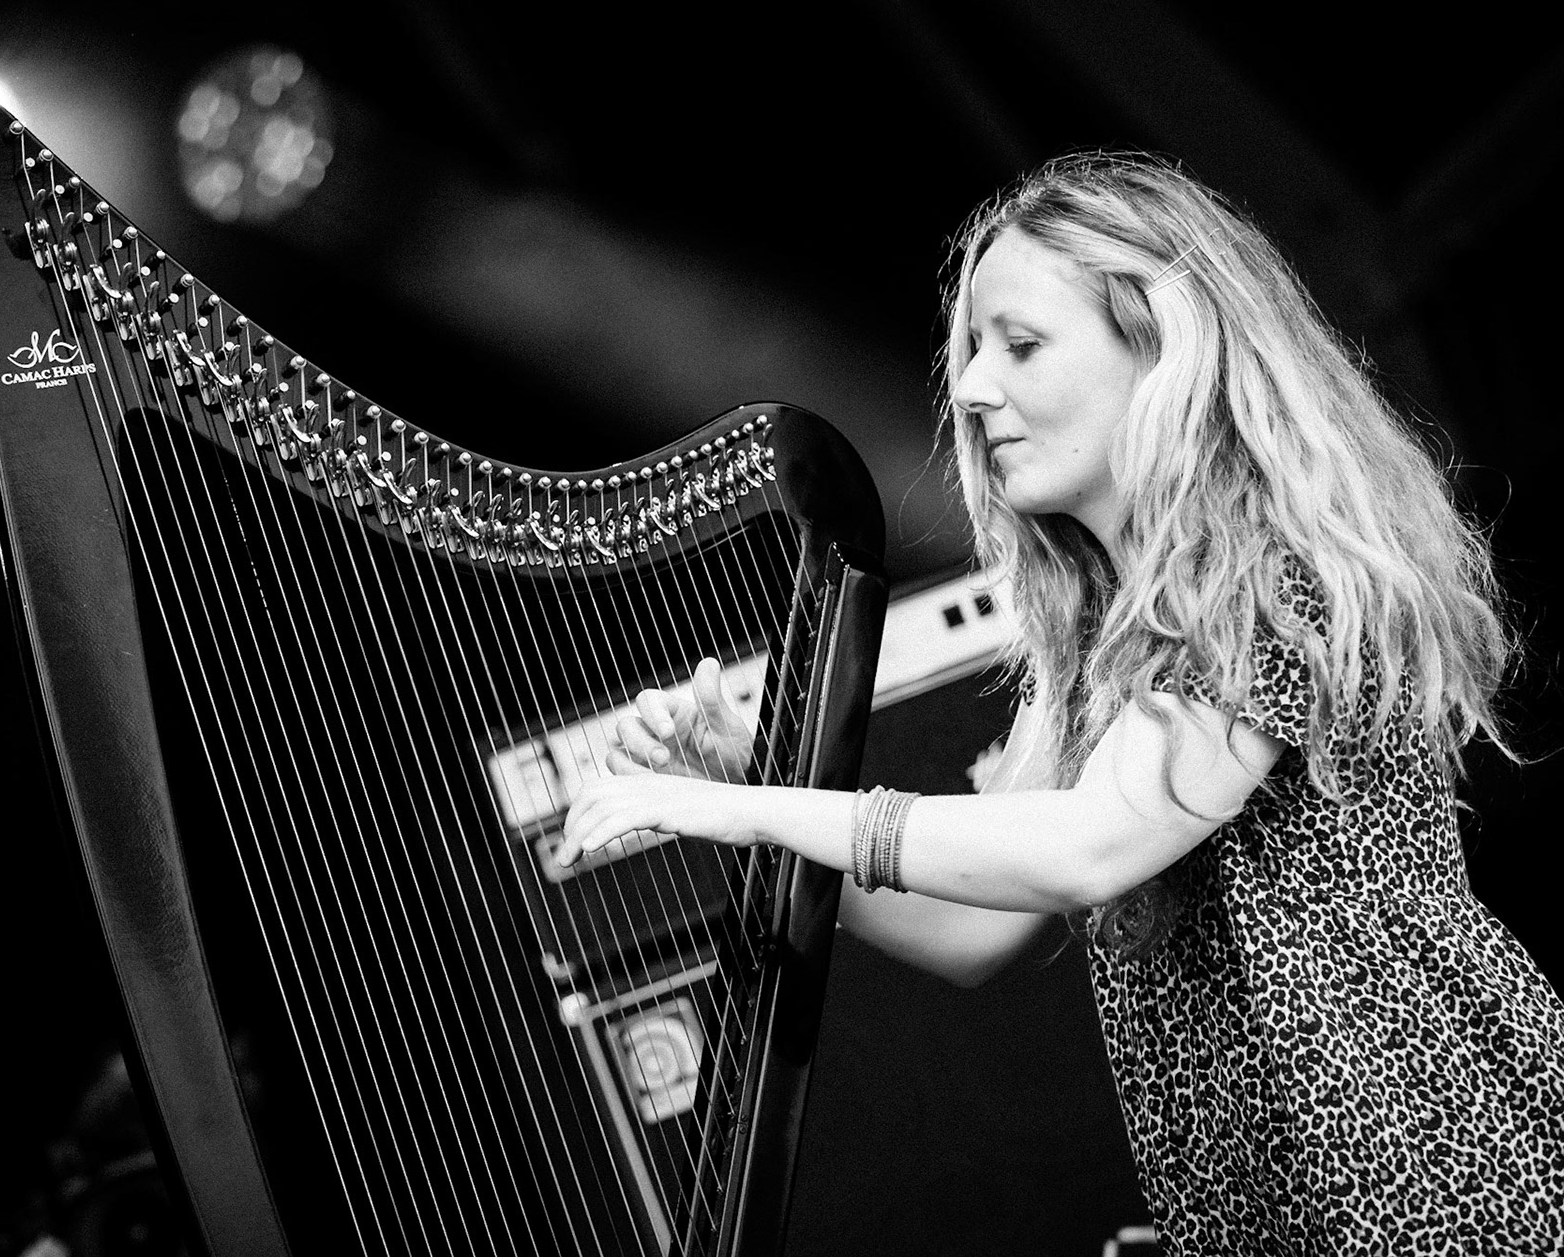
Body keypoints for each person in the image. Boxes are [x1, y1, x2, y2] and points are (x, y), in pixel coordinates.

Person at [557, 151, 1563, 1253]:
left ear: (1162, 349)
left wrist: (741, 812)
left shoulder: (1269, 577)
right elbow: (963, 923)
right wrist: (765, 778)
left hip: (1421, 1164)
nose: (976, 388)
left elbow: (1083, 849)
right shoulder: (1098, 645)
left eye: (1022, 345)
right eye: (973, 350)